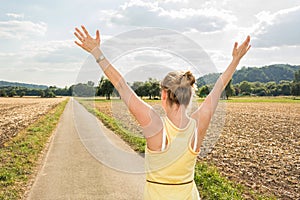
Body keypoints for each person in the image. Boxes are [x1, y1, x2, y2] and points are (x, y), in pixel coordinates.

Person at [74, 25, 251, 200]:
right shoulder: (198, 126)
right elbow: (219, 87)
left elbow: (121, 86)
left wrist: (97, 52)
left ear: (165, 94)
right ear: (190, 95)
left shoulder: (156, 126)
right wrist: (235, 60)